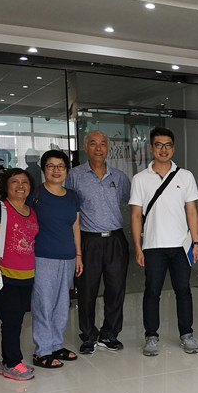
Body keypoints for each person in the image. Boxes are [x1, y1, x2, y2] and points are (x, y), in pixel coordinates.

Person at [129, 126, 198, 357]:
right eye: (158, 145)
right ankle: (151, 336)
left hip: (181, 245)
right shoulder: (140, 179)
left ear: (173, 148)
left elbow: (192, 211)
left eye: (168, 145)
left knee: (184, 291)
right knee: (152, 292)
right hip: (153, 246)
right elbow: (135, 215)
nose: (163, 149)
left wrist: (196, 243)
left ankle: (187, 334)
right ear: (151, 148)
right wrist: (138, 247)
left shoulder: (185, 176)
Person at [65, 131, 131, 354]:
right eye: (93, 143)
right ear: (85, 147)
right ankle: (88, 335)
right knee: (87, 291)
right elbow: (68, 208)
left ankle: (110, 334)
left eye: (103, 143)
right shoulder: (74, 176)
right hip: (88, 240)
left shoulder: (119, 177)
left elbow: (133, 202)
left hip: (115, 240)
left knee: (116, 289)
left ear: (108, 148)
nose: (98, 148)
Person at [0, 168, 39, 380]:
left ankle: (9, 360)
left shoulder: (31, 211)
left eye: (25, 182)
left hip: (27, 275)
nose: (20, 186)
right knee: (11, 321)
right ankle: (12, 363)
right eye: (15, 181)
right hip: (5, 275)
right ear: (6, 186)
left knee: (17, 319)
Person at [28, 150, 83, 368]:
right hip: (43, 257)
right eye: (51, 166)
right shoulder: (35, 194)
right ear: (44, 170)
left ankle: (56, 345)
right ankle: (42, 350)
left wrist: (78, 255)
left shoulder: (72, 196)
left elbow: (75, 227)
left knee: (61, 304)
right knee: (43, 303)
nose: (56, 170)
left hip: (67, 257)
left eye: (60, 166)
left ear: (67, 170)